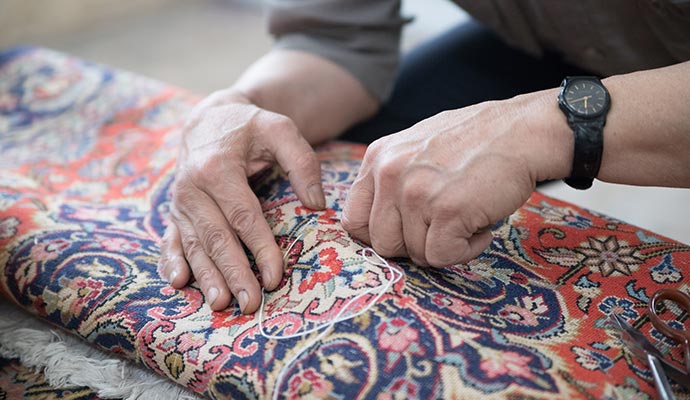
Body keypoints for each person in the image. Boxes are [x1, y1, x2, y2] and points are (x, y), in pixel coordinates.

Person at [158, 0, 690, 314]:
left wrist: (546, 126)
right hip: (551, 37)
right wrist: (237, 106)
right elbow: (336, 42)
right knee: (364, 167)